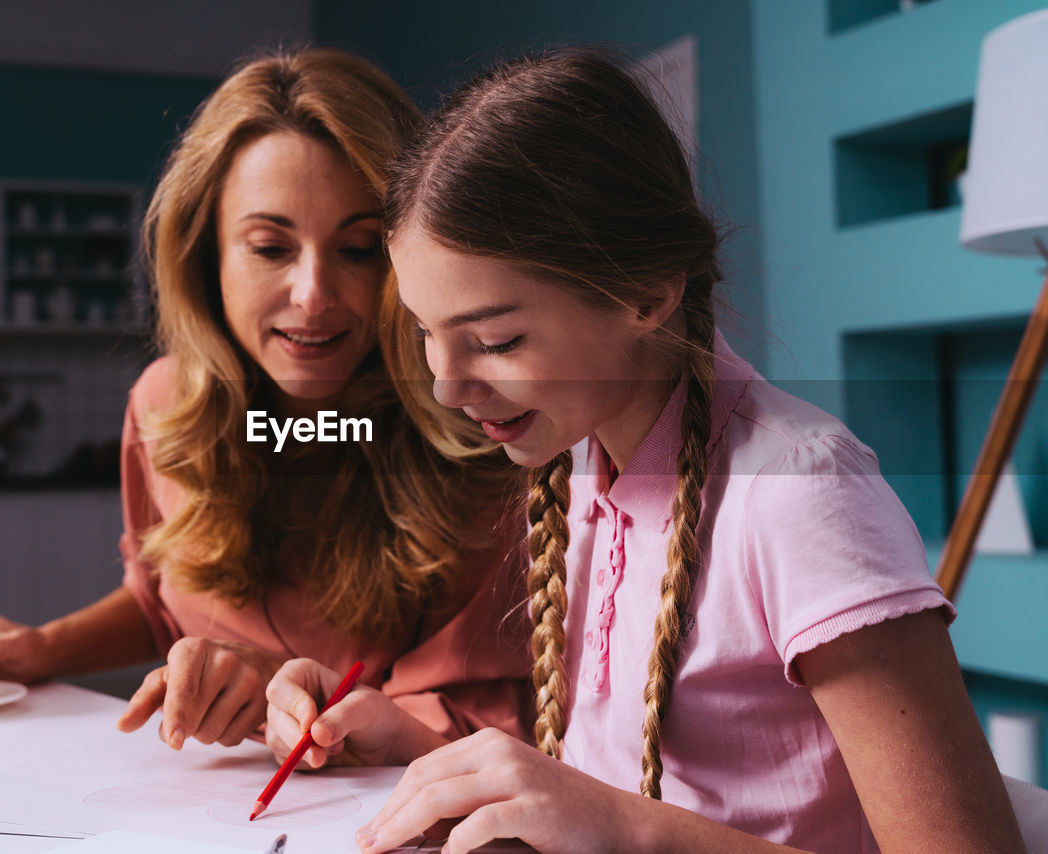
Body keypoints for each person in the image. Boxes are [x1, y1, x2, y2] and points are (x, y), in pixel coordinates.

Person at [263, 48, 1027, 852]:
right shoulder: (584, 457)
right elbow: (613, 796)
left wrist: (625, 827)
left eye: (495, 339)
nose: (447, 387)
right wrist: (416, 748)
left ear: (646, 294)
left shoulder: (800, 495)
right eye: (425, 333)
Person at [0, 47, 532, 757]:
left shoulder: (474, 431)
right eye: (270, 248)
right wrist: (42, 648)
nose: (313, 295)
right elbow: (167, 600)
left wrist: (281, 685)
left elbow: (487, 716)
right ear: (205, 253)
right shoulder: (163, 407)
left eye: (361, 248)